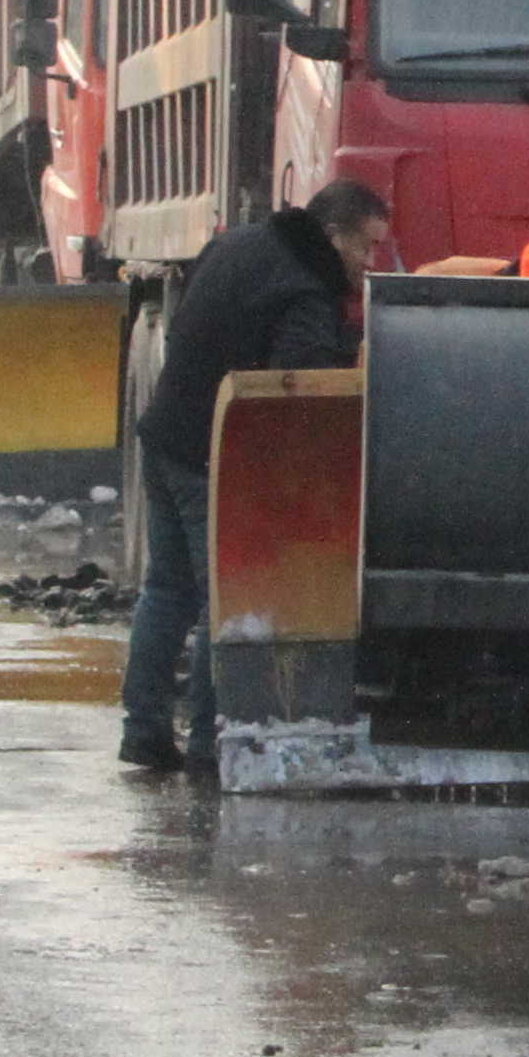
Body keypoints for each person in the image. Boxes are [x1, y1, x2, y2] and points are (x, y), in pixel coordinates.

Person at [119, 179, 394, 778]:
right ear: (333, 235)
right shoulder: (305, 292)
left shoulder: (242, 243)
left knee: (165, 590)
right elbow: (301, 389)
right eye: (366, 247)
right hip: (207, 457)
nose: (370, 264)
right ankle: (208, 746)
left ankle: (143, 732)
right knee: (225, 603)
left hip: (165, 432)